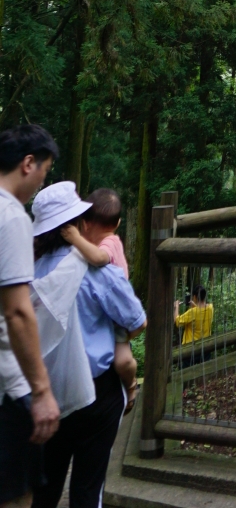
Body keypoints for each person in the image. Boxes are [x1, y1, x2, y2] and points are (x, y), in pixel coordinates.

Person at [30, 185, 145, 508]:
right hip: (96, 395)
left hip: (43, 393)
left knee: (45, 486)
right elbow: (137, 321)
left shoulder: (25, 272)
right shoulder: (99, 272)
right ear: (78, 223)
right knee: (87, 487)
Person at [0, 125, 61, 508]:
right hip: (7, 386)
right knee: (16, 494)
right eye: (44, 171)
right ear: (28, 164)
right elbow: (18, 311)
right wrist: (41, 390)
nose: (41, 181)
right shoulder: (12, 218)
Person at [76, 193, 136, 411]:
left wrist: (74, 238)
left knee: (123, 361)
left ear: (85, 222)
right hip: (108, 313)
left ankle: (131, 387)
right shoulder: (110, 240)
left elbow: (100, 258)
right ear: (118, 222)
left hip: (117, 316)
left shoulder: (110, 242)